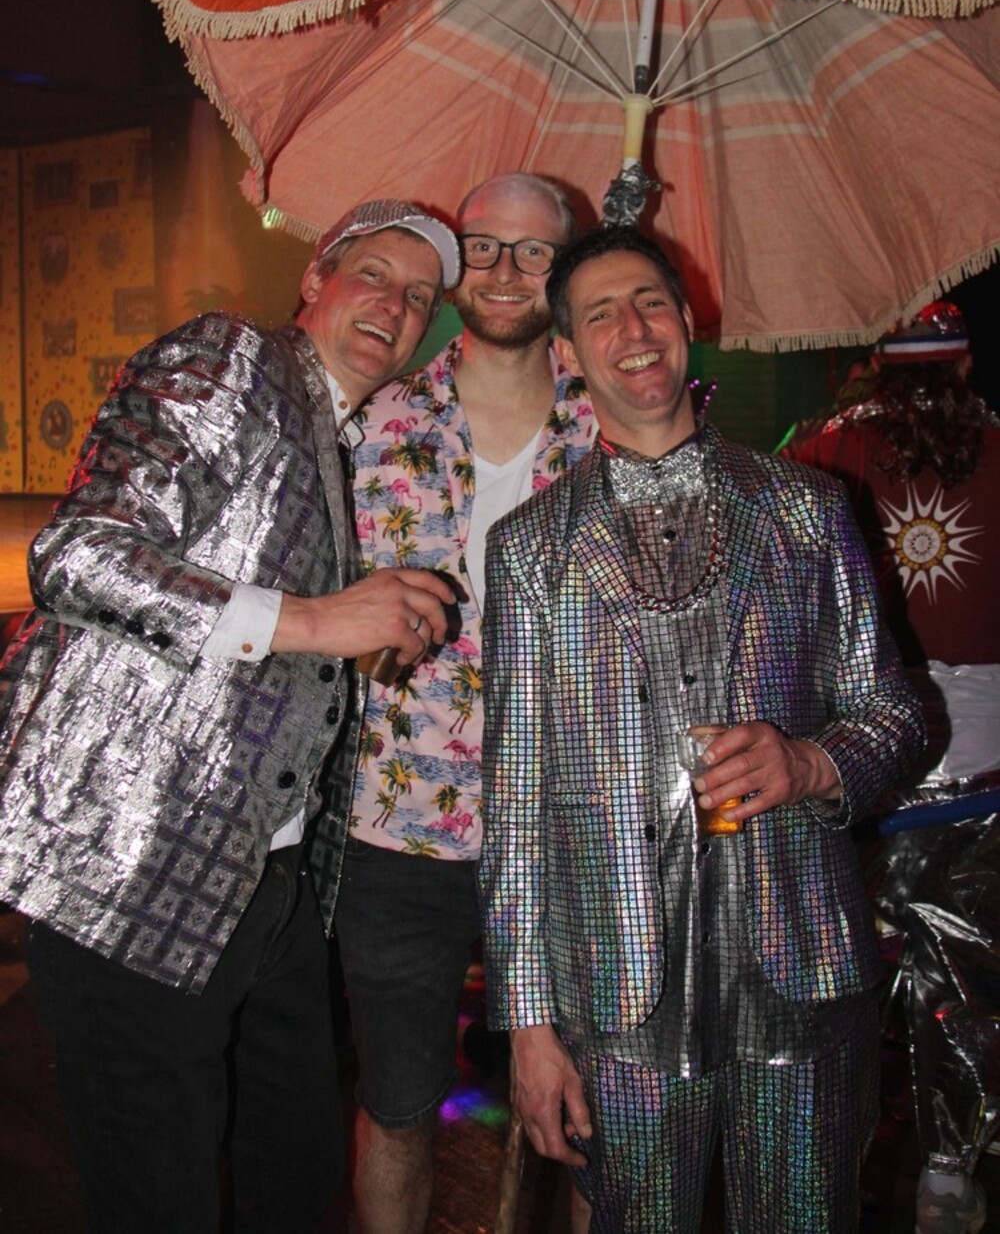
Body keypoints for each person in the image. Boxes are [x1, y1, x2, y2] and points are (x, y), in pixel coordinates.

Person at [0, 199, 461, 1234]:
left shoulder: (338, 437)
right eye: (373, 274)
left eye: (419, 296)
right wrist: (315, 621)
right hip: (133, 865)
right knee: (159, 1194)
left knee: (294, 1175)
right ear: (315, 281)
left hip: (268, 880)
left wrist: (345, 641)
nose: (396, 305)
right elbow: (78, 557)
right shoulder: (232, 359)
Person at [478, 224, 925, 1234]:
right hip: (618, 991)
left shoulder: (808, 510)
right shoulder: (529, 551)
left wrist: (812, 761)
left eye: (649, 302)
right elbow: (514, 804)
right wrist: (529, 1028)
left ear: (687, 319)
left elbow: (897, 714)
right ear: (568, 354)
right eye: (600, 315)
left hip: (801, 970)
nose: (632, 330)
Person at [337, 172, 595, 1234]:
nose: (503, 271)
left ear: (565, 270)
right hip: (398, 824)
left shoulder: (618, 423)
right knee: (399, 1103)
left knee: (588, 1114)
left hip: (573, 822)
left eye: (534, 251)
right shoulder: (376, 417)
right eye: (483, 246)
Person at [789, 301, 1000, 1234]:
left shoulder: (819, 452)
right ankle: (946, 1174)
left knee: (837, 970)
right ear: (962, 366)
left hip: (854, 767)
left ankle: (820, 1152)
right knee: (959, 984)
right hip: (980, 772)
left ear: (878, 362)